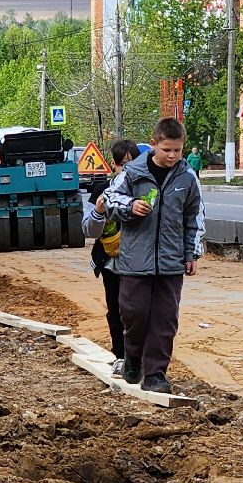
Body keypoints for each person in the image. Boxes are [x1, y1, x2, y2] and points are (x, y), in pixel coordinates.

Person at [104, 119, 205, 393]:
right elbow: (109, 199)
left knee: (165, 319)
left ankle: (156, 374)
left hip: (171, 262)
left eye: (177, 150)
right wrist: (130, 205)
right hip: (136, 261)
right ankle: (133, 357)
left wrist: (191, 253)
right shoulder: (133, 173)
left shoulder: (187, 178)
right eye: (166, 149)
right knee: (134, 313)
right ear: (154, 144)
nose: (172, 156)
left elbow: (194, 217)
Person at [82, 139, 143, 360]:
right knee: (116, 310)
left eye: (133, 164)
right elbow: (88, 229)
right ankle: (120, 355)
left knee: (138, 311)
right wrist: (99, 211)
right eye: (123, 165)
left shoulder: (146, 190)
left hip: (140, 261)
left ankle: (138, 356)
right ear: (113, 165)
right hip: (111, 262)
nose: (128, 170)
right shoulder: (101, 191)